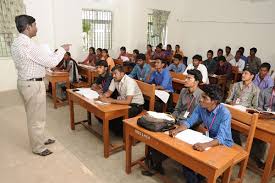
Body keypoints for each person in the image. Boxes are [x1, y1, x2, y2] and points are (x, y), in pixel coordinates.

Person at [11, 14, 70, 156]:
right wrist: (62, 49)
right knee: (35, 118)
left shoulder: (16, 43)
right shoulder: (28, 45)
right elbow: (52, 62)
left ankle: (41, 138)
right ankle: (38, 147)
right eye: (35, 25)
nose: (37, 28)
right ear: (28, 27)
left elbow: (33, 62)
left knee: (36, 116)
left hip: (25, 83)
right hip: (33, 85)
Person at [142, 69, 204, 177]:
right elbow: (177, 109)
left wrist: (181, 124)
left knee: (166, 139)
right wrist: (171, 119)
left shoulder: (201, 96)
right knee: (157, 133)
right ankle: (155, 163)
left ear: (197, 81)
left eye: (189, 78)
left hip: (189, 126)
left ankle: (155, 164)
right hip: (177, 120)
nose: (186, 80)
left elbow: (197, 118)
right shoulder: (184, 91)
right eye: (186, 77)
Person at [170, 84, 233, 183]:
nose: (200, 99)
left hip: (223, 144)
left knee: (202, 164)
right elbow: (189, 121)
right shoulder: (201, 107)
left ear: (214, 101)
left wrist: (205, 145)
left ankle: (198, 178)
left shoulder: (225, 113)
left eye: (205, 98)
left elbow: (221, 138)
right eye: (202, 96)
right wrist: (177, 129)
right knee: (185, 156)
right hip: (207, 139)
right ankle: (196, 179)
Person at [99, 65, 144, 136]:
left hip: (136, 105)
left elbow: (128, 101)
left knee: (117, 117)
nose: (113, 76)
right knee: (102, 113)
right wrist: (102, 97)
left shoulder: (130, 82)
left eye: (115, 73)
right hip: (124, 102)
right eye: (112, 74)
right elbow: (109, 93)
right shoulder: (115, 80)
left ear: (122, 74)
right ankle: (116, 130)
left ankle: (125, 135)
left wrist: (111, 100)